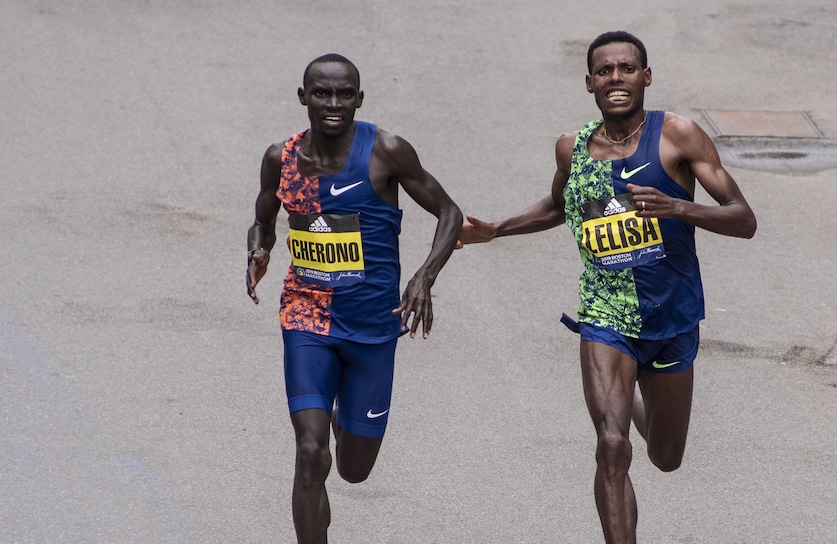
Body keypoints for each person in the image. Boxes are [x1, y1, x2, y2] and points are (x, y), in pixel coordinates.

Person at [459, 31, 756, 543]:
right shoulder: (572, 148)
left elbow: (743, 219)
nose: (615, 79)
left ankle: (639, 385)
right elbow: (558, 207)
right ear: (590, 82)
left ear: (645, 76)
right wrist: (498, 229)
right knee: (612, 444)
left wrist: (678, 207)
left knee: (666, 457)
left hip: (672, 315)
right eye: (604, 71)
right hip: (606, 314)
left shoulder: (678, 135)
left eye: (626, 69)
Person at [246, 53, 462, 543]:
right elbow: (263, 218)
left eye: (345, 94)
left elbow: (449, 212)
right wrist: (260, 249)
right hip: (307, 317)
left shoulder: (386, 152)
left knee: (353, 471)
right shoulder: (281, 158)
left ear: (359, 99)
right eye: (322, 93)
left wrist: (425, 276)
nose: (333, 103)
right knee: (310, 453)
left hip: (372, 329)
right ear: (303, 97)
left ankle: (346, 415)